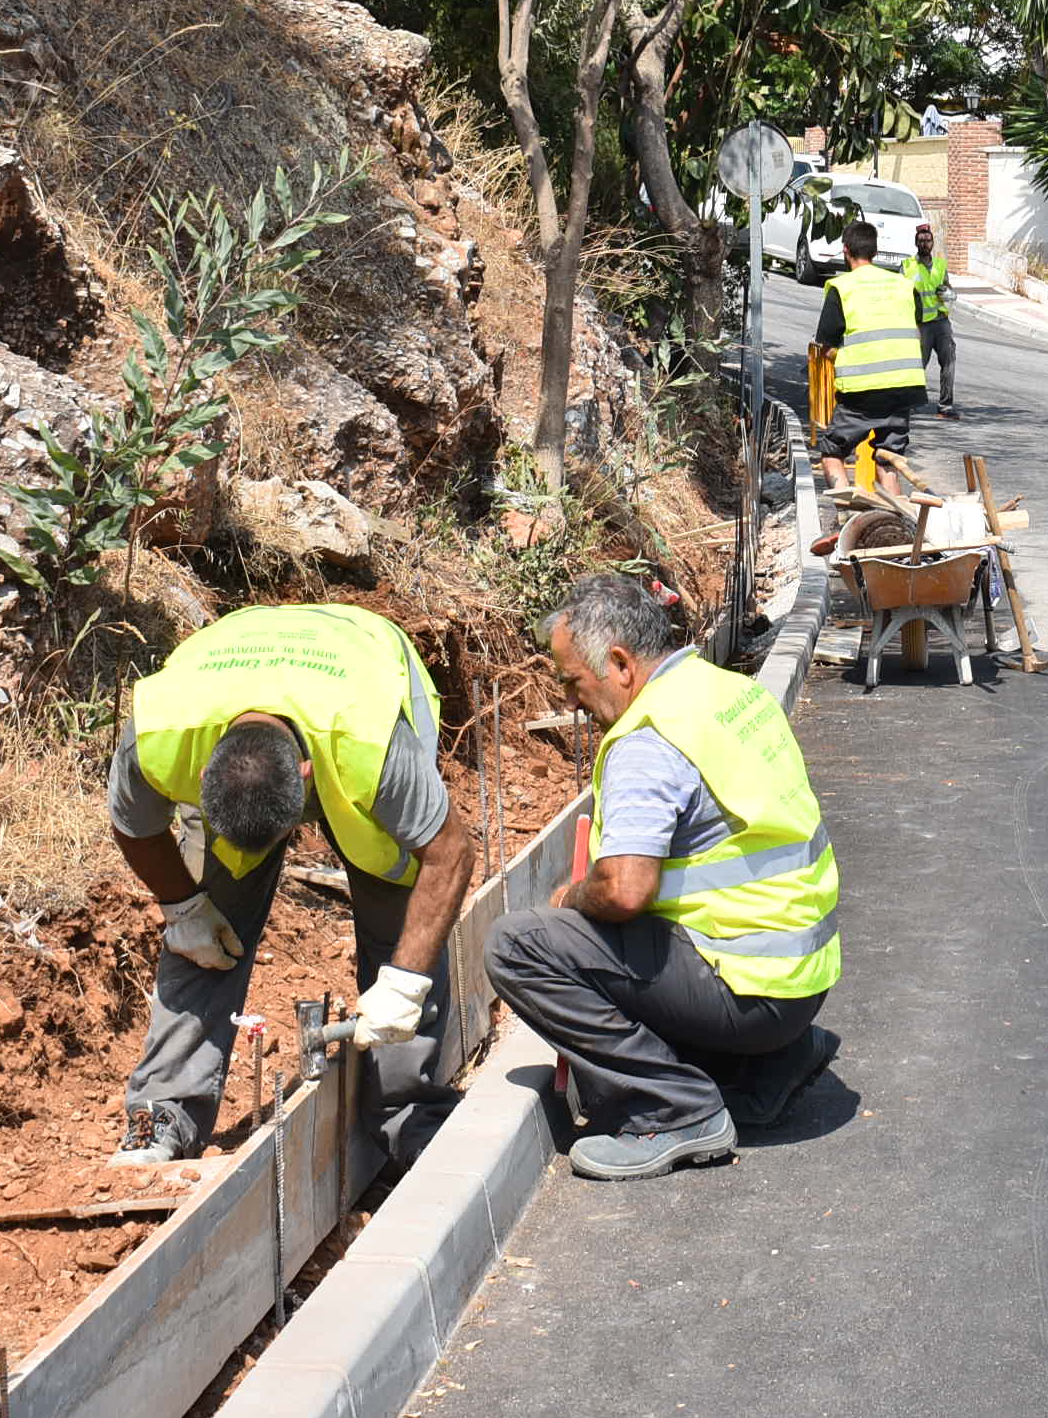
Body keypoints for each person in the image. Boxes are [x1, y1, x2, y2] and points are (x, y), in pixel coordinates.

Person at [486, 574, 842, 1181]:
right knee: (628, 947)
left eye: (573, 680)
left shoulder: (649, 739)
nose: (571, 700)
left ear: (620, 663)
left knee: (516, 945)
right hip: (800, 984)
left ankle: (675, 1111)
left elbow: (626, 889)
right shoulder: (728, 692)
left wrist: (572, 900)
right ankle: (767, 1064)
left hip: (746, 988)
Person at [105, 602, 478, 1166]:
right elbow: (133, 823)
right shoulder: (159, 732)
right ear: (204, 776)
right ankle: (163, 1113)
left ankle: (409, 1112)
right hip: (242, 663)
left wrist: (402, 983)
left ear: (307, 781)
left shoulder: (374, 744)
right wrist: (184, 908)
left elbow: (449, 854)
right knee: (209, 934)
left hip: (366, 670)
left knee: (397, 919)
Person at [811, 217, 927, 492]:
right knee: (888, 458)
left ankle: (845, 513)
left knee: (832, 452)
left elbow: (826, 347)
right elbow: (916, 330)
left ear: (845, 251)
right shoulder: (904, 286)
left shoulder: (843, 288)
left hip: (861, 393)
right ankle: (896, 521)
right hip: (904, 387)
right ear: (875, 252)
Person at [910, 220, 959, 419]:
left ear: (933, 243)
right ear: (916, 243)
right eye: (921, 241)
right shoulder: (908, 267)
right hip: (921, 324)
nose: (925, 244)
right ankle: (910, 403)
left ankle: (945, 406)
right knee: (917, 364)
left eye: (928, 240)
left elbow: (949, 289)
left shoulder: (940, 265)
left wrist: (948, 293)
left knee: (949, 362)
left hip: (941, 322)